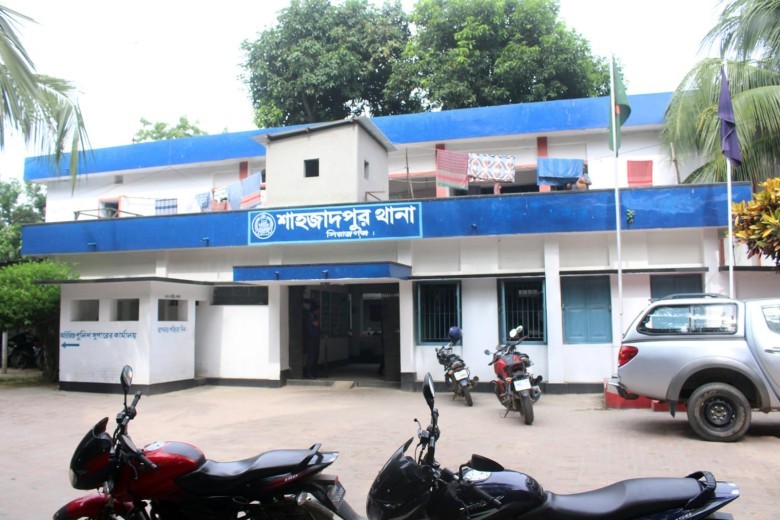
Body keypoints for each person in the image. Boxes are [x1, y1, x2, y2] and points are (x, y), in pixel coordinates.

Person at [303, 304, 321, 379]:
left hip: (316, 339)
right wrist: (315, 335)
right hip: (311, 340)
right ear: (315, 310)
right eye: (318, 310)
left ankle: (314, 372)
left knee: (316, 356)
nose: (319, 312)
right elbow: (310, 330)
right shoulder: (310, 318)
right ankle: (308, 372)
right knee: (311, 356)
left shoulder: (315, 318)